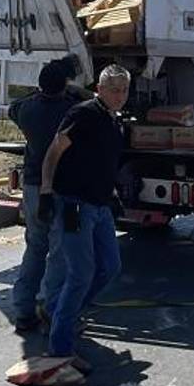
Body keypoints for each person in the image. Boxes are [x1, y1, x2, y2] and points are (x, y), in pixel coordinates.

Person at [38, 64, 129, 368]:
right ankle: (60, 349)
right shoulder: (83, 113)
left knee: (110, 267)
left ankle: (63, 312)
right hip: (74, 204)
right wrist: (47, 191)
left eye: (124, 89)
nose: (119, 95)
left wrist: (113, 194)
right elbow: (55, 151)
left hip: (100, 206)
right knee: (80, 274)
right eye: (113, 89)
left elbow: (103, 162)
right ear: (99, 89)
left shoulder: (114, 122)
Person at [8, 60, 81, 332]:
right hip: (61, 188)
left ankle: (24, 310)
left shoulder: (25, 109)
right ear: (65, 85)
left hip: (32, 187)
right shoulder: (71, 112)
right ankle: (51, 309)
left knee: (35, 247)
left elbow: (15, 106)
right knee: (60, 252)